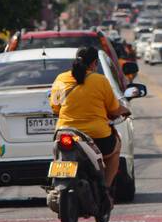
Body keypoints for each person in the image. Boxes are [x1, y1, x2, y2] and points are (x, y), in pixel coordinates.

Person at [49, 46, 132, 202]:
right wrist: (125, 110)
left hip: (65, 133)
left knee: (59, 156)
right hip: (99, 137)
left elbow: (55, 107)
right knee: (116, 148)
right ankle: (105, 190)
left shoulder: (60, 79)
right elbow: (113, 109)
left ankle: (56, 186)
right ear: (94, 63)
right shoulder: (100, 80)